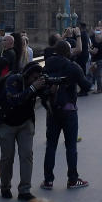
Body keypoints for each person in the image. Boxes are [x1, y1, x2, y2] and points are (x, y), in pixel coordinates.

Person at [41, 41, 91, 190]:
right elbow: (86, 86)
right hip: (69, 109)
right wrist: (88, 73)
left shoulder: (47, 65)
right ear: (68, 52)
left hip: (52, 109)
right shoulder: (72, 67)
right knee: (71, 146)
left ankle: (48, 180)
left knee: (51, 146)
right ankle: (73, 179)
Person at [0, 63, 47, 201]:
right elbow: (13, 100)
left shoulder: (35, 84)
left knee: (27, 155)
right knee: (7, 157)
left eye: (38, 78)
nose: (36, 80)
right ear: (27, 75)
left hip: (25, 123)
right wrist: (32, 88)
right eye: (34, 78)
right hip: (6, 122)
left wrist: (51, 89)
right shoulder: (13, 80)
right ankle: (5, 186)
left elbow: (45, 97)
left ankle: (24, 190)